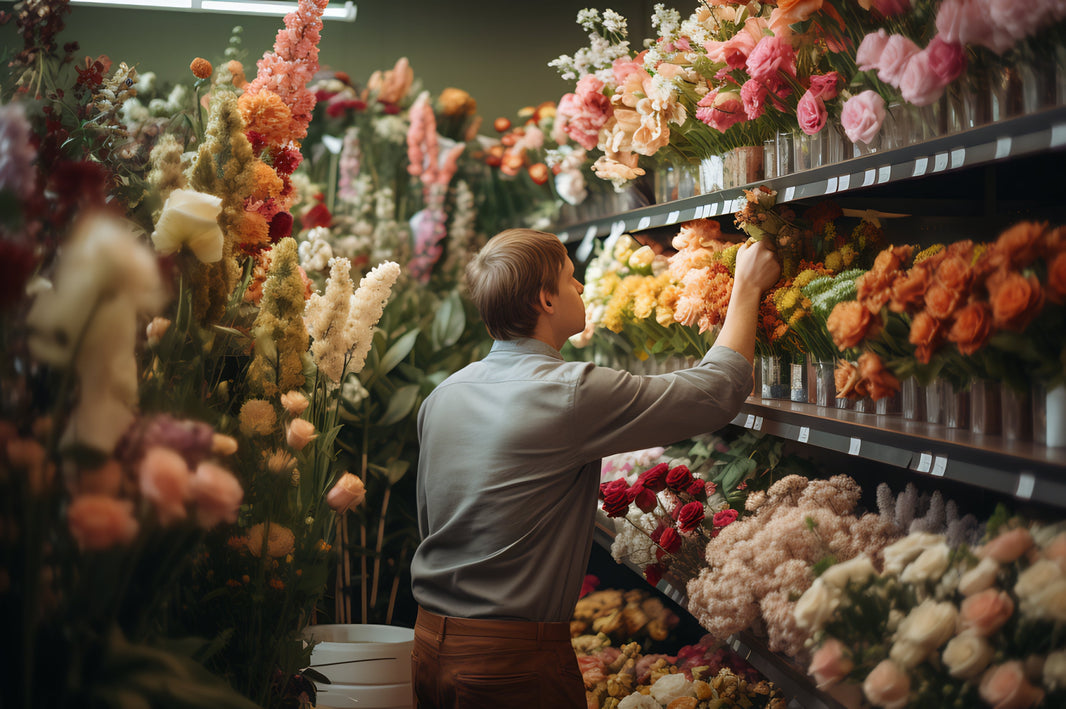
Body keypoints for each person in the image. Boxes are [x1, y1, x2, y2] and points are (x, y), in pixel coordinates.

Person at [409, 227, 781, 708]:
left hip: (430, 644)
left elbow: (431, 520)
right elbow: (717, 390)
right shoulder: (568, 391)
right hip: (511, 666)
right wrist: (748, 286)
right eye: (569, 278)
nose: (581, 287)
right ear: (545, 299)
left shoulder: (443, 396)